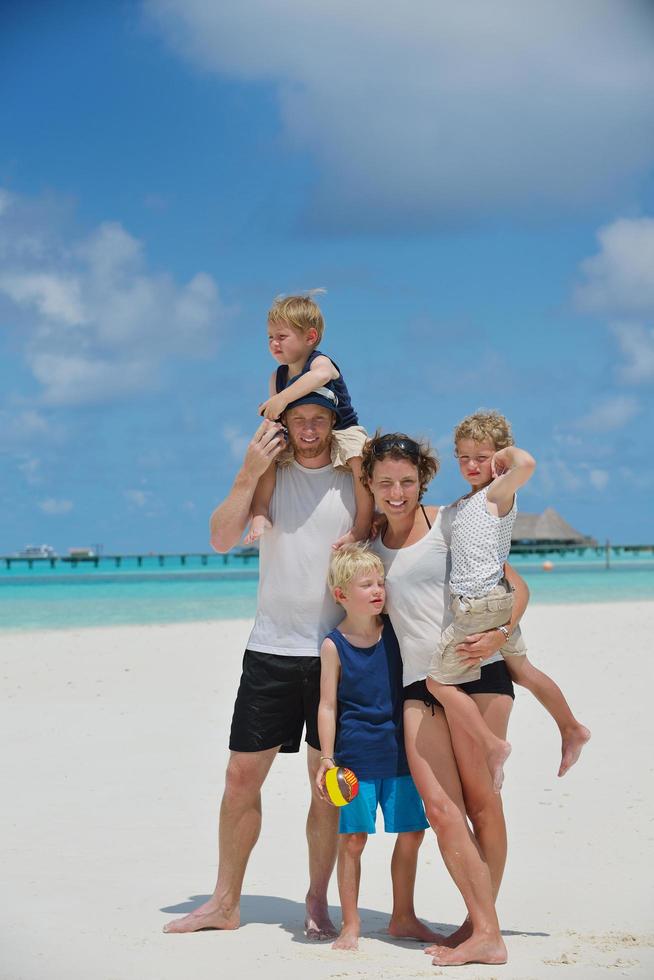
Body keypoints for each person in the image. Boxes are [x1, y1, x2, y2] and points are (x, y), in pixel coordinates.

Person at [163, 391, 357, 938]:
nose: (311, 429)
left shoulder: (354, 481)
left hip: (335, 653)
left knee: (328, 785)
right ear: (286, 425)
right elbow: (221, 538)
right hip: (270, 649)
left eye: (320, 418)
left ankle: (317, 901)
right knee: (239, 777)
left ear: (335, 422)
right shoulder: (269, 477)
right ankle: (225, 902)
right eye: (300, 420)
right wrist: (248, 471)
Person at [364, 431, 529, 967]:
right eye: (385, 482)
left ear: (422, 481)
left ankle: (482, 927)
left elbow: (514, 585)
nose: (396, 492)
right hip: (419, 683)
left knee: (483, 804)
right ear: (369, 483)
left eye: (407, 481)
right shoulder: (367, 548)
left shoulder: (450, 522)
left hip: (477, 673)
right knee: (441, 807)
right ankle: (486, 927)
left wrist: (503, 635)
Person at [426, 411, 590, 788]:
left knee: (437, 684)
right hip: (497, 600)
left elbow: (527, 463)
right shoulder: (467, 502)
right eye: (463, 457)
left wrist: (504, 456)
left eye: (481, 457)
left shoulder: (496, 493)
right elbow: (440, 516)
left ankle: (492, 746)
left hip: (479, 604)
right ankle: (571, 727)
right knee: (523, 671)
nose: (471, 465)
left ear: (498, 458)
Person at [315, 544, 438, 951]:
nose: (377, 590)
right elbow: (328, 705)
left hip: (402, 754)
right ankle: (350, 923)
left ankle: (403, 915)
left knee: (413, 832)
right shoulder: (334, 645)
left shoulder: (396, 633)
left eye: (380, 582)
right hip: (354, 760)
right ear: (341, 595)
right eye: (365, 584)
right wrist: (327, 758)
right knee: (353, 840)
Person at [244, 293, 372, 549]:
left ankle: (362, 526)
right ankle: (259, 512)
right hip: (300, 432)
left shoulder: (320, 361)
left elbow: (321, 376)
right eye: (270, 337)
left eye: (281, 337)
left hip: (343, 429)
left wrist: (282, 399)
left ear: (310, 337)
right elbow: (278, 416)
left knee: (360, 458)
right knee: (270, 451)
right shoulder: (277, 376)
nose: (274, 344)